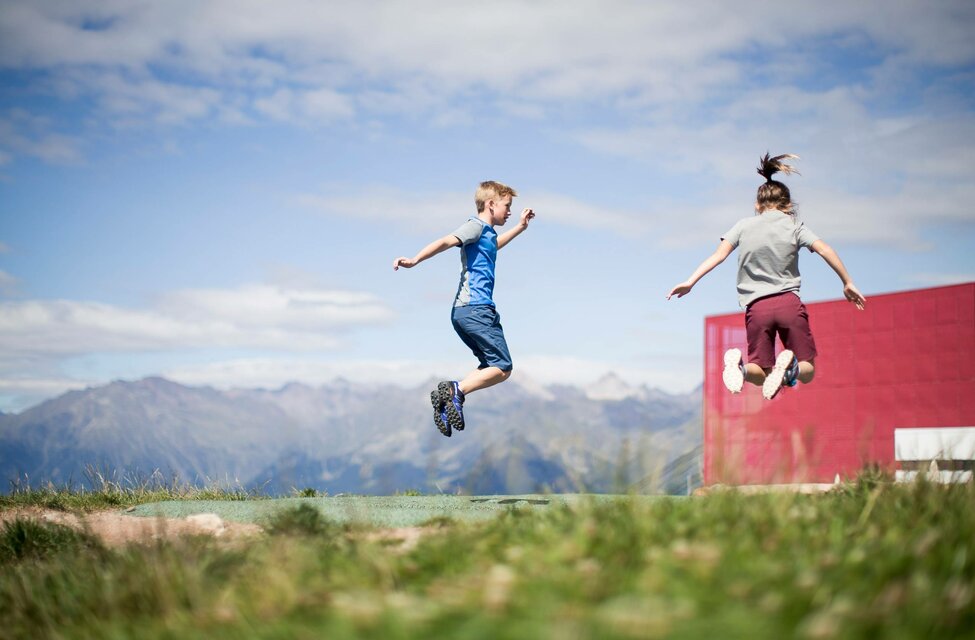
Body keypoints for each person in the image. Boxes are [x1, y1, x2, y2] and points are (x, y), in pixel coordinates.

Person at [667, 153, 866, 400]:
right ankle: (791, 368)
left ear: (757, 205)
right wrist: (847, 281)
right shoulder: (795, 227)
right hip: (788, 304)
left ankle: (738, 368)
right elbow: (825, 249)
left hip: (756, 308)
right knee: (809, 369)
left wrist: (690, 281)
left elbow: (718, 256)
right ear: (788, 205)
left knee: (761, 372)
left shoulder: (742, 226)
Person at [393, 181, 535, 436]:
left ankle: (449, 403)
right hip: (477, 309)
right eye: (507, 206)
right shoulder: (475, 226)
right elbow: (447, 240)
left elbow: (494, 246)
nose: (510, 211)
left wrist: (521, 228)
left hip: (464, 313)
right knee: (503, 367)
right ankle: (455, 391)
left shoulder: (486, 234)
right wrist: (415, 260)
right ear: (491, 205)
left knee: (489, 367)